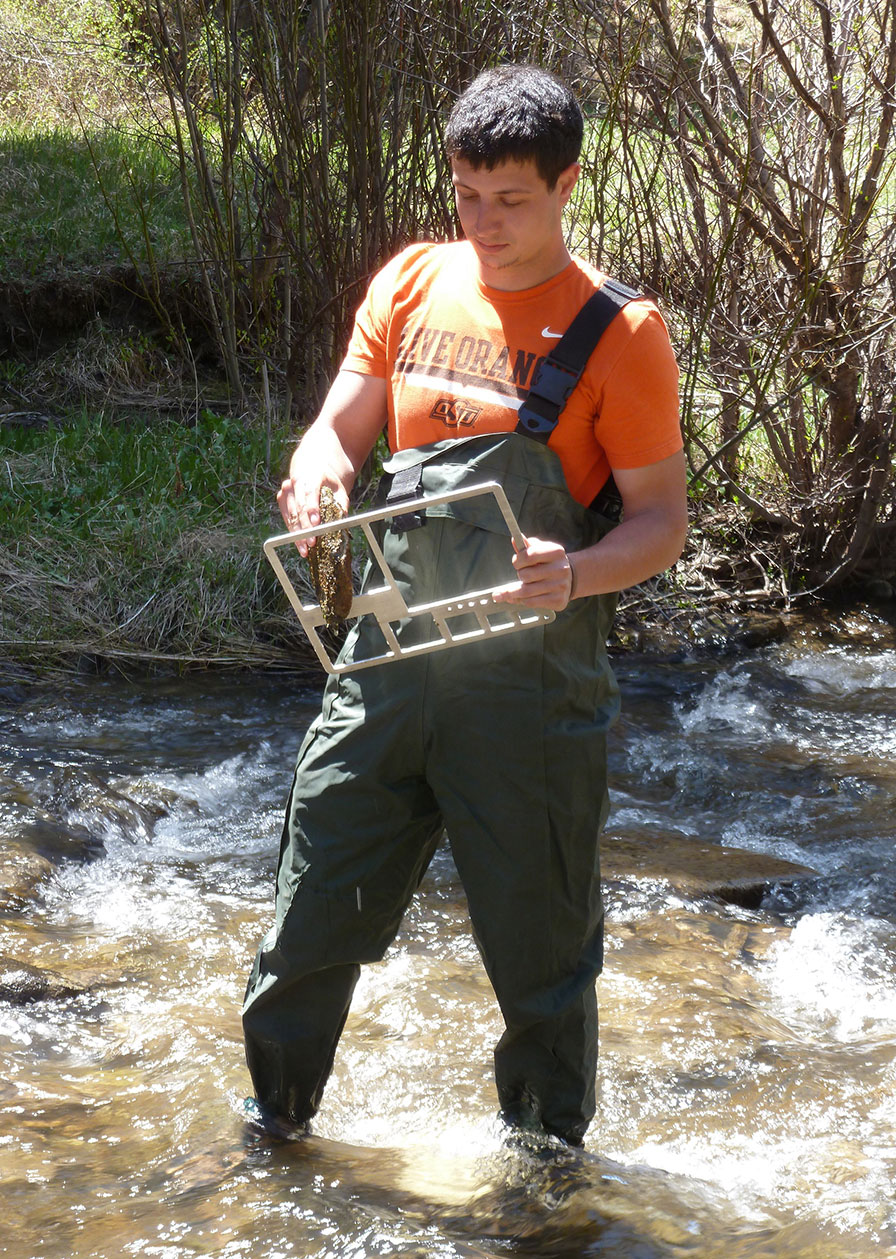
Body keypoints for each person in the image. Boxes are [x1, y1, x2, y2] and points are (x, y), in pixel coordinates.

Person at [242, 63, 687, 1149]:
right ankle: (275, 1132)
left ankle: (542, 1179)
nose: (483, 224)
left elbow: (660, 524)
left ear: (567, 182)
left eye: (512, 200)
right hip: (383, 667)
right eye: (467, 195)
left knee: (541, 967)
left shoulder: (619, 334)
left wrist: (574, 571)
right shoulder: (409, 280)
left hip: (528, 696)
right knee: (306, 923)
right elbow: (337, 425)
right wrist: (318, 475)